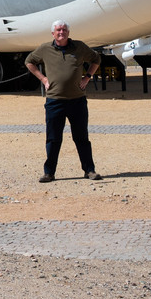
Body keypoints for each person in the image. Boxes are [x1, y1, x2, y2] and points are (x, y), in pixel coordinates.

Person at [24, 20, 102, 183]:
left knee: (81, 137)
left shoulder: (79, 47)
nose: (61, 32)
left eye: (64, 30)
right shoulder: (45, 49)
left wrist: (87, 77)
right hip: (55, 101)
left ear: (68, 32)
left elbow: (96, 59)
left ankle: (89, 170)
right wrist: (43, 79)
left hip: (77, 101)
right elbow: (29, 62)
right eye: (58, 30)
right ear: (53, 33)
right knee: (53, 138)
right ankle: (49, 173)